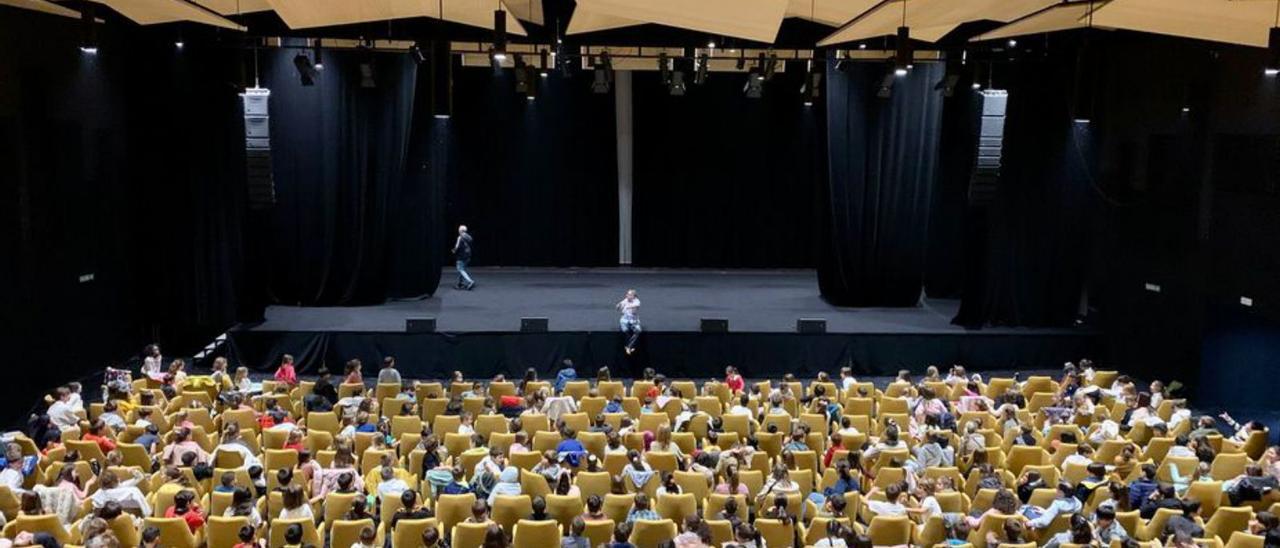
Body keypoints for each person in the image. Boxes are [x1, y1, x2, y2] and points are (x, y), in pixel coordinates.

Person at [616, 289, 642, 355]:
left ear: (634, 296)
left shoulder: (637, 301)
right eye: (627, 294)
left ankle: (628, 346)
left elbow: (637, 305)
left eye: (630, 295)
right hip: (624, 320)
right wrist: (618, 306)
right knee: (625, 331)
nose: (627, 295)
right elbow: (618, 307)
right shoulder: (625, 300)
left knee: (638, 330)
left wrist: (628, 306)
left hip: (634, 321)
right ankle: (630, 346)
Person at [453, 224, 475, 290]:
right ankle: (460, 283)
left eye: (459, 229)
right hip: (468, 255)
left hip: (461, 256)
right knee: (462, 269)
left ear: (460, 230)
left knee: (460, 269)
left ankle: (470, 281)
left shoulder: (460, 237)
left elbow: (457, 247)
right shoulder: (469, 237)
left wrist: (454, 251)